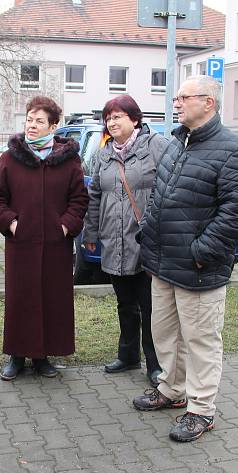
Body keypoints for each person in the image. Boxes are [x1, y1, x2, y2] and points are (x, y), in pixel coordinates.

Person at [132, 75, 238, 442]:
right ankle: (171, 389)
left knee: (201, 340)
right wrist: (147, 235)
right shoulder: (177, 143)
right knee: (165, 333)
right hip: (162, 260)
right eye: (177, 97)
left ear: (209, 102)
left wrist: (203, 253)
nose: (177, 103)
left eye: (185, 97)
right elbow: (159, 195)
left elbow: (237, 213)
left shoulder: (233, 150)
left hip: (200, 267)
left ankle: (201, 409)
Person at [0, 96, 88, 380]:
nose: (32, 125)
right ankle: (17, 356)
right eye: (29, 120)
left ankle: (43, 357)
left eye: (39, 121)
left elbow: (79, 200)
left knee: (51, 300)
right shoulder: (10, 158)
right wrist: (13, 224)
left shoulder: (68, 161)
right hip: (21, 245)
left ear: (53, 126)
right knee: (21, 300)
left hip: (56, 246)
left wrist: (65, 227)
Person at [82, 95, 168, 387]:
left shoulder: (156, 146)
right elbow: (94, 196)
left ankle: (155, 364)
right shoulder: (103, 153)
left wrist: (157, 227)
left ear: (135, 119)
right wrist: (91, 233)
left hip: (147, 240)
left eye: (118, 116)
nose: (112, 122)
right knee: (125, 303)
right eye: (108, 117)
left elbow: (169, 189)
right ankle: (128, 355)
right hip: (113, 239)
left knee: (150, 305)